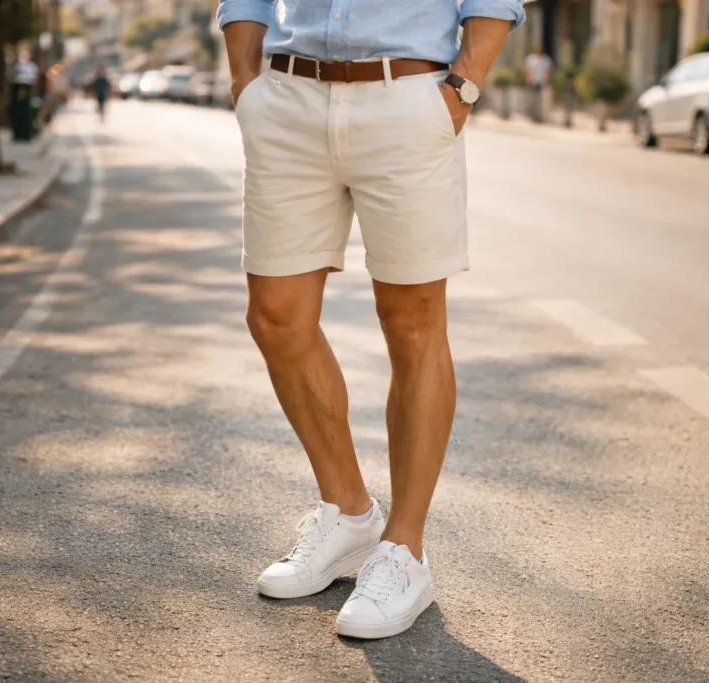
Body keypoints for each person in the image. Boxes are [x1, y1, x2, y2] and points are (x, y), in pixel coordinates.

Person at [218, 0, 524, 640]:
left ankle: (403, 551)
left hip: (408, 98)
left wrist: (462, 85)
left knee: (412, 325)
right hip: (288, 98)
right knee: (276, 317)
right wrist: (245, 81)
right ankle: (349, 512)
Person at [523, 45, 554, 122]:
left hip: (540, 82)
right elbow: (526, 69)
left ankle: (538, 116)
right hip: (532, 81)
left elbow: (550, 68)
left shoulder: (545, 59)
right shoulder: (530, 58)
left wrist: (547, 78)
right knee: (531, 99)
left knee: (539, 100)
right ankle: (531, 115)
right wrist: (527, 78)